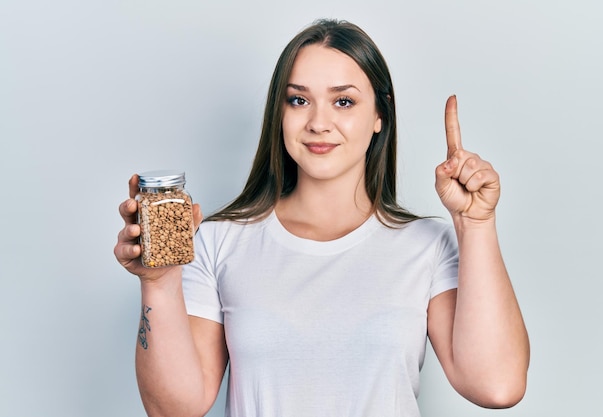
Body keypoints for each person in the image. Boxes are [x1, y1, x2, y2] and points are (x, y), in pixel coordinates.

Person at [115, 18, 529, 417]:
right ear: (280, 114)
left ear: (380, 116)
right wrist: (159, 283)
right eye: (299, 100)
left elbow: (497, 385)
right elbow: (173, 409)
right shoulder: (219, 241)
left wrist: (475, 225)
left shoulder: (426, 244)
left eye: (343, 101)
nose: (318, 122)